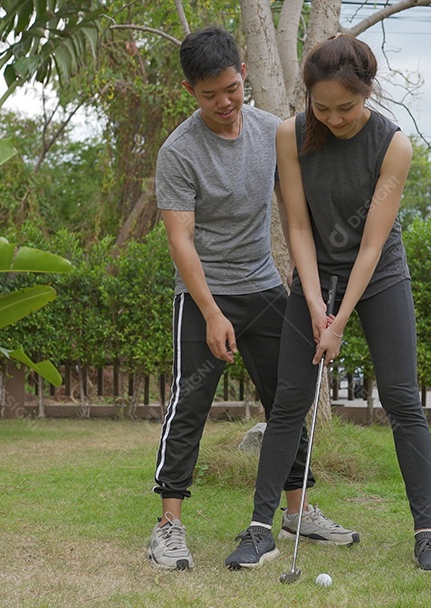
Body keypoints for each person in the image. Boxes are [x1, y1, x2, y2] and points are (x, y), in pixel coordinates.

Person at [225, 33, 431, 573]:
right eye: (321, 107)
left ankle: (427, 534)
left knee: (403, 402)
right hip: (314, 275)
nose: (333, 118)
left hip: (379, 279)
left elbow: (373, 242)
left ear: (367, 92)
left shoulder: (394, 145)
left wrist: (339, 322)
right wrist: (310, 302)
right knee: (287, 404)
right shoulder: (291, 134)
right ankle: (262, 530)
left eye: (346, 107)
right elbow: (298, 225)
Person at [149, 27, 358, 572]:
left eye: (230, 89)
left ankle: (297, 511)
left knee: (285, 401)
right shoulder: (179, 152)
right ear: (190, 92)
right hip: (203, 294)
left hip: (264, 287)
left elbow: (300, 211)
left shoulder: (274, 132)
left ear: (243, 74)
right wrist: (213, 312)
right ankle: (169, 526)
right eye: (208, 94)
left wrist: (312, 296)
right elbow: (180, 241)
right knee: (189, 404)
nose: (223, 103)